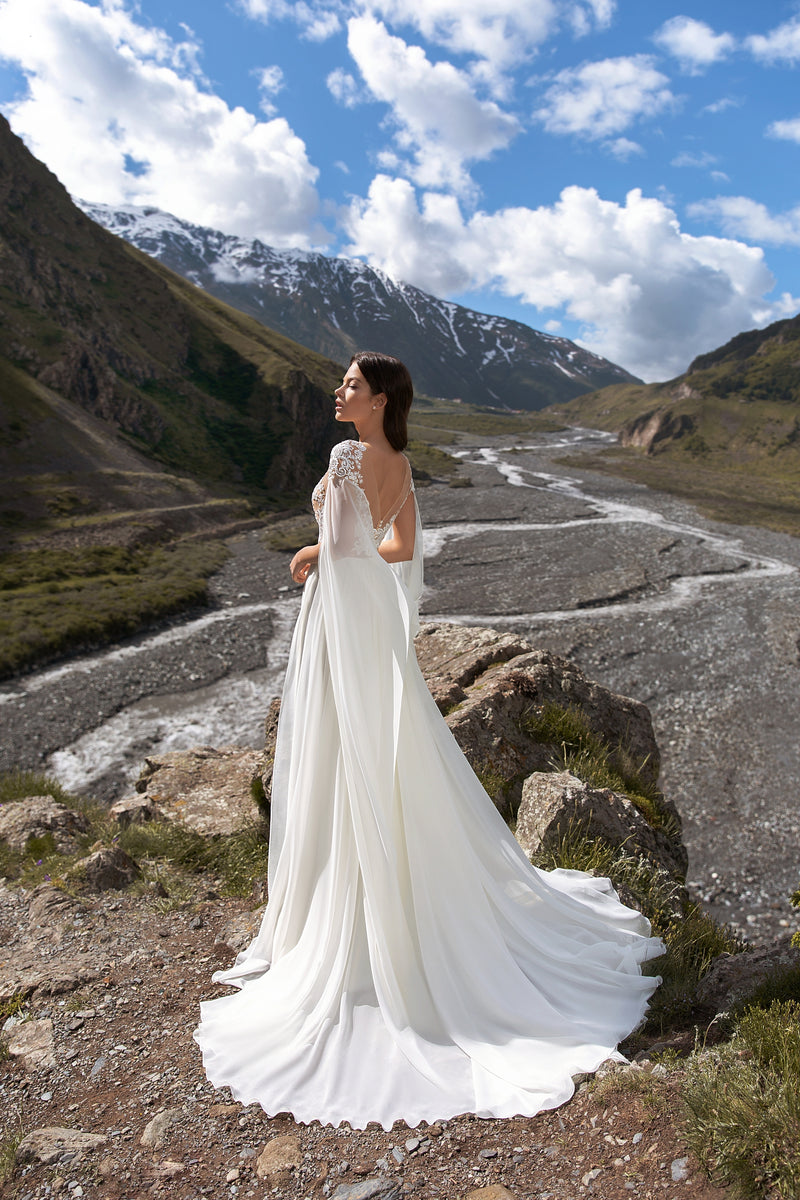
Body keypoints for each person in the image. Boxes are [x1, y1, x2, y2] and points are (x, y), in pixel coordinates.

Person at [193, 351, 664, 1131]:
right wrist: (339, 557)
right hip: (365, 615)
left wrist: (314, 553)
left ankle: (346, 919)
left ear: (378, 400)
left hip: (340, 619)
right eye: (343, 383)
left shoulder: (347, 455)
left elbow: (346, 547)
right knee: (385, 751)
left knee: (341, 753)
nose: (339, 392)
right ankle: (384, 901)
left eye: (351, 385)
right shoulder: (400, 462)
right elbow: (401, 550)